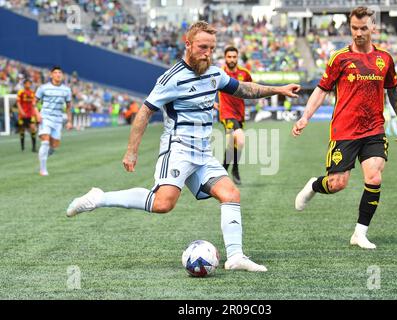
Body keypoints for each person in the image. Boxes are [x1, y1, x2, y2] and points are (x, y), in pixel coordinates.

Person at [67, 21, 301, 272]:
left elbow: (243, 89)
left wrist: (278, 89)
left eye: (212, 48)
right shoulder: (171, 79)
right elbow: (144, 112)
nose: (208, 53)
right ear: (187, 44)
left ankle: (235, 257)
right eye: (202, 47)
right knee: (163, 204)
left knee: (231, 194)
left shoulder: (215, 74)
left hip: (203, 151)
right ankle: (99, 198)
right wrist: (131, 150)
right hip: (178, 149)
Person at [292, 7, 397, 249]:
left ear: (374, 28)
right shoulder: (339, 58)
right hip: (344, 131)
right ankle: (315, 184)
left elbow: (393, 90)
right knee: (337, 184)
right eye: (354, 28)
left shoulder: (385, 59)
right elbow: (321, 90)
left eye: (363, 28)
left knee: (374, 176)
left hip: (375, 128)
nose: (358, 33)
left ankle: (360, 233)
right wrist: (305, 117)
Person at [214, 46, 252, 185]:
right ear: (225, 58)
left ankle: (223, 172)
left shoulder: (245, 73)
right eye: (229, 57)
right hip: (226, 113)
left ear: (237, 57)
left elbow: (251, 89)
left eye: (234, 57)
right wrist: (212, 103)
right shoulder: (219, 73)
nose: (231, 59)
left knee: (232, 144)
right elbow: (206, 88)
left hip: (239, 113)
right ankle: (234, 169)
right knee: (240, 139)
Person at [36, 66, 73, 176]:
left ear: (62, 75)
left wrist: (69, 121)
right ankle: (43, 169)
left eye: (59, 73)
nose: (58, 74)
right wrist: (37, 114)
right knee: (45, 141)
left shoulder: (66, 90)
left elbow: (68, 106)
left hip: (58, 119)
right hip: (45, 117)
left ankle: (45, 155)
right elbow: (34, 103)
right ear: (51, 75)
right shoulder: (43, 88)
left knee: (54, 146)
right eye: (55, 73)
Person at [17, 79, 40, 152]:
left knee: (33, 128)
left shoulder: (32, 93)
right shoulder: (21, 92)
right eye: (26, 83)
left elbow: (34, 103)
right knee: (22, 130)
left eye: (29, 83)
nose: (28, 85)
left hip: (31, 114)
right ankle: (22, 147)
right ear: (24, 84)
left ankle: (33, 148)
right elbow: (18, 103)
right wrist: (21, 111)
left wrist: (36, 113)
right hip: (22, 114)